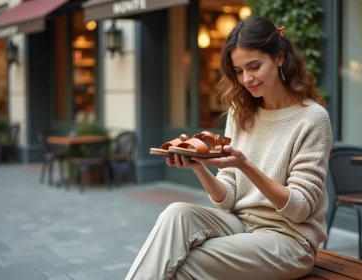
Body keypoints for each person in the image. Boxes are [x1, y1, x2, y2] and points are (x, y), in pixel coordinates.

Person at [125, 17, 333, 280]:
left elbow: (300, 208)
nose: (247, 78)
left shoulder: (312, 119)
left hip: (289, 240)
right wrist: (199, 167)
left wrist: (245, 165)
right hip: (240, 225)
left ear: (279, 57)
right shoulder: (240, 112)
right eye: (238, 70)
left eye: (254, 66)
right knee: (176, 213)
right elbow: (228, 199)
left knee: (184, 263)